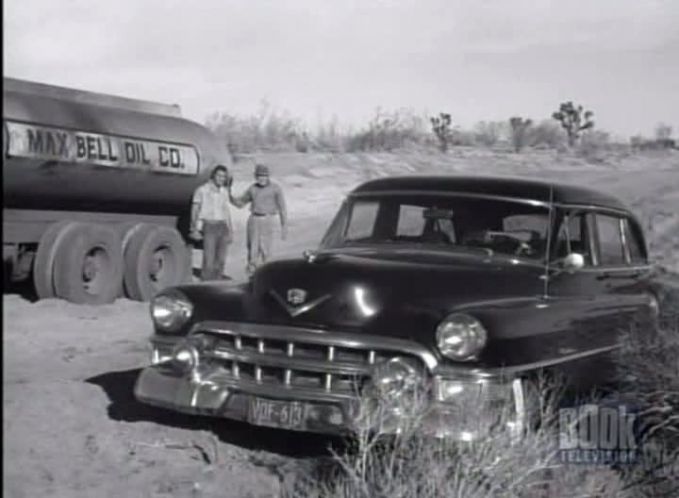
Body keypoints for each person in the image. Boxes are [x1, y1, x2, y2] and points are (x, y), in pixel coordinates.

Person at [229, 163, 287, 275]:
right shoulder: (252, 188)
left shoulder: (276, 189)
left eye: (264, 175)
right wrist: (229, 194)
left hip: (268, 220)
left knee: (266, 250)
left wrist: (284, 226)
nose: (262, 178)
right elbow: (240, 203)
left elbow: (282, 208)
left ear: (268, 176)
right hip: (254, 220)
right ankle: (252, 275)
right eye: (259, 175)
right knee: (252, 250)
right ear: (255, 176)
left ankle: (267, 276)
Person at [190, 165, 234, 280]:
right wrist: (194, 229)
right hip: (209, 226)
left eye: (224, 177)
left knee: (221, 260)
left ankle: (217, 285)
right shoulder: (202, 190)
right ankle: (205, 285)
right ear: (213, 176)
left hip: (222, 226)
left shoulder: (224, 192)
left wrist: (230, 230)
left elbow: (226, 211)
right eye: (219, 176)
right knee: (209, 260)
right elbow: (195, 210)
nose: (221, 179)